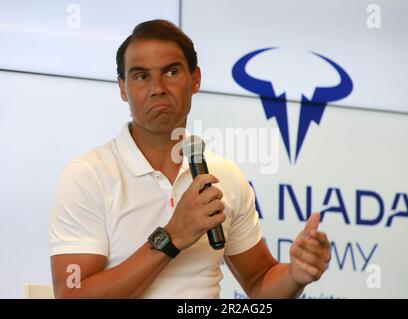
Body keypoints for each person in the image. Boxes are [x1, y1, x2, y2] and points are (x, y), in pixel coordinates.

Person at [49, 19, 331, 299]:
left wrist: (295, 274)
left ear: (195, 79)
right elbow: (72, 295)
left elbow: (259, 282)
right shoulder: (87, 175)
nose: (157, 87)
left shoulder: (225, 176)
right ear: (122, 88)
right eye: (141, 76)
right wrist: (171, 237)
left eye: (171, 72)